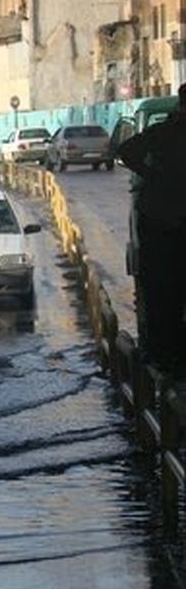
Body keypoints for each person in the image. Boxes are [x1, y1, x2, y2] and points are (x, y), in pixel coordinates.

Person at [117, 83, 186, 376]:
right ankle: (166, 355)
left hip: (161, 220)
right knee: (163, 291)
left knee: (162, 292)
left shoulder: (162, 133)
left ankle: (164, 354)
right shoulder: (165, 133)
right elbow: (126, 150)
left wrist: (151, 174)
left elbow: (126, 150)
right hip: (165, 223)